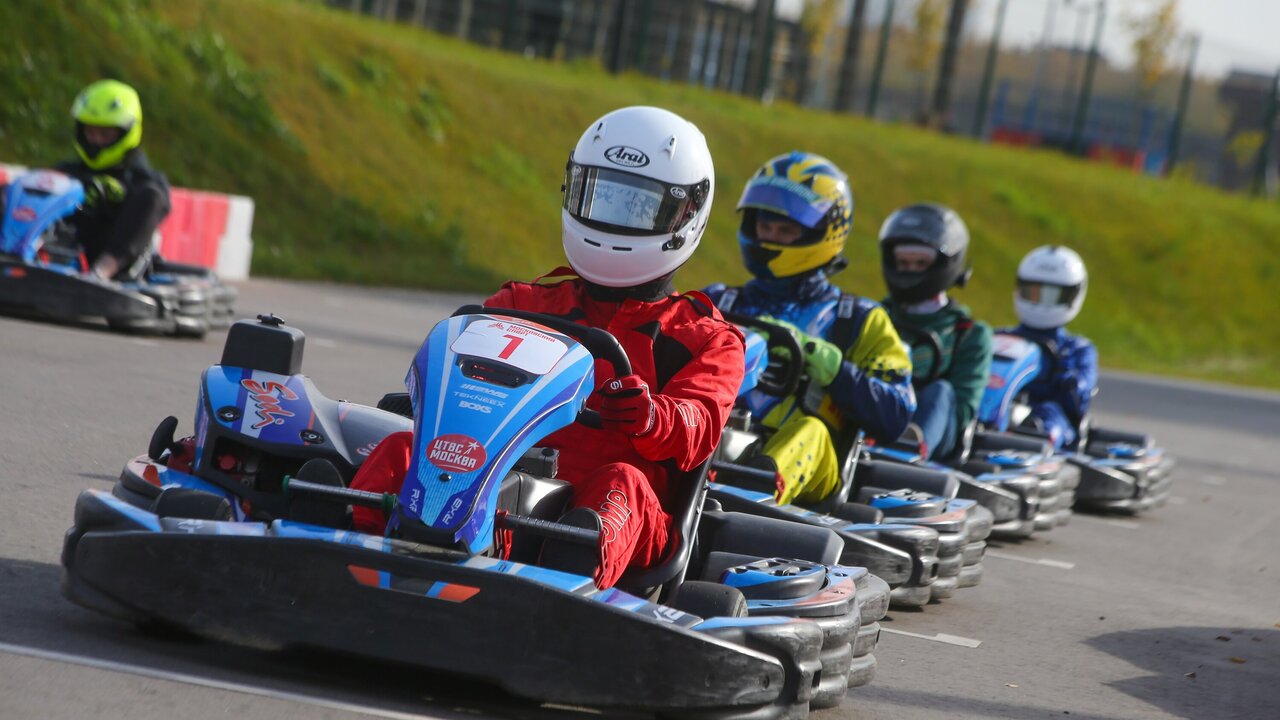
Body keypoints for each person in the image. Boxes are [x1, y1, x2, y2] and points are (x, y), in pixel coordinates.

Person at [350, 106, 744, 590]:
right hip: (499, 487)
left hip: (620, 520)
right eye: (601, 197)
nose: (613, 220)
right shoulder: (522, 303)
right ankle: (338, 542)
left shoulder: (705, 338)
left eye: (636, 207)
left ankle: (561, 583)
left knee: (620, 483)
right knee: (404, 448)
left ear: (686, 215)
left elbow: (699, 425)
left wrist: (649, 416)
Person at [703, 151, 915, 506]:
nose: (770, 238)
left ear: (825, 233)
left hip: (811, 473)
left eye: (785, 230)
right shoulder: (719, 302)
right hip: (712, 443)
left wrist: (835, 370)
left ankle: (751, 497)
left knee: (812, 431)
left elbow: (895, 414)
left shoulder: (858, 319)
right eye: (764, 227)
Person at [878, 203, 993, 460]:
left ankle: (909, 450)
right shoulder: (876, 316)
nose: (909, 270)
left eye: (920, 263)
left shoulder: (968, 333)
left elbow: (963, 408)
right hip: (879, 413)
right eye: (903, 262)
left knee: (941, 391)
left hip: (938, 433)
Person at [55, 79, 170, 280]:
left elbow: (159, 202)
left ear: (126, 132)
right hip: (62, 250)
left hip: (113, 262)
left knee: (151, 197)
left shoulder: (142, 180)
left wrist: (118, 193)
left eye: (104, 134)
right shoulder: (69, 171)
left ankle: (102, 271)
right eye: (90, 132)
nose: (96, 141)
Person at [999, 245, 1098, 450]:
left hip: (1051, 416)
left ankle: (1036, 440)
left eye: (1053, 295)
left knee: (1050, 412)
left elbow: (1079, 401)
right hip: (1000, 408)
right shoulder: (1000, 338)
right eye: (1034, 293)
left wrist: (1066, 375)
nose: (1042, 303)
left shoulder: (1077, 349)